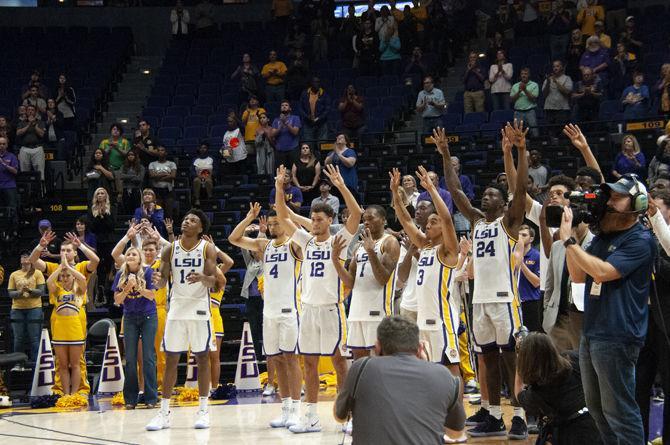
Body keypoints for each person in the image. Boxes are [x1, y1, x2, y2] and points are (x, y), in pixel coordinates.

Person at [439, 123, 529, 438]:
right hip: (480, 299)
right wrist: (446, 153)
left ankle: (519, 414)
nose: (486, 196)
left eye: (493, 194)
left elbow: (520, 191)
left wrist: (519, 150)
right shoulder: (478, 222)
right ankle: (492, 414)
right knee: (487, 356)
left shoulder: (510, 221)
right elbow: (456, 191)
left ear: (504, 203)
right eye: (486, 194)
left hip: (505, 299)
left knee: (511, 357)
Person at [560, 173, 655, 444]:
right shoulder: (603, 236)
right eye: (609, 196)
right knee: (598, 411)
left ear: (637, 203)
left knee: (620, 413)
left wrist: (569, 242)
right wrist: (571, 241)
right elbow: (579, 275)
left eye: (617, 197)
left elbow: (603, 273)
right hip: (593, 332)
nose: (609, 202)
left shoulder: (639, 239)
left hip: (618, 334)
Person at [274, 163, 363, 434]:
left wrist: (341, 186)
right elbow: (281, 215)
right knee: (309, 362)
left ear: (329, 221)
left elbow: (357, 214)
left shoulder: (340, 241)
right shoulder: (306, 240)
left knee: (338, 362)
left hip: (332, 309)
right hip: (308, 310)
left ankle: (348, 414)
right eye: (312, 219)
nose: (314, 222)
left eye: (320, 219)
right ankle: (310, 416)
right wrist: (279, 188)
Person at [334, 316, 466, 445]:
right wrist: (429, 364)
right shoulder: (443, 375)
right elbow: (455, 433)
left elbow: (339, 417)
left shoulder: (361, 368)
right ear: (420, 348)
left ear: (377, 347)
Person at [229, 205, 304, 428]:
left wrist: (288, 215)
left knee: (291, 359)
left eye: (276, 223)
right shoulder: (264, 245)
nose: (272, 227)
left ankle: (297, 410)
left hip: (290, 310)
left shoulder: (295, 245)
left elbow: (301, 232)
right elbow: (234, 238)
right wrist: (248, 218)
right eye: (270, 224)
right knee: (276, 360)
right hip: (269, 311)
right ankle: (285, 407)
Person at [146, 209, 219, 431]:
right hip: (176, 308)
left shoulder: (207, 248)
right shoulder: (169, 248)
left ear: (200, 228)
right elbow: (161, 284)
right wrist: (157, 280)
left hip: (198, 308)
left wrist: (202, 277)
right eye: (186, 218)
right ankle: (164, 412)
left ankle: (204, 410)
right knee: (171, 359)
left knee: (202, 358)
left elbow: (214, 282)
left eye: (193, 220)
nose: (187, 221)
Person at [332, 204, 399, 360]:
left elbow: (383, 278)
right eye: (364, 219)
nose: (366, 222)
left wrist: (371, 251)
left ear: (383, 220)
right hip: (357, 310)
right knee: (359, 361)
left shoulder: (390, 242)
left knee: (382, 359)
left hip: (378, 311)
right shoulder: (359, 247)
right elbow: (350, 282)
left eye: (371, 218)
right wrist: (335, 260)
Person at [515, 333, 603, 445]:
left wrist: (519, 359)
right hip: (596, 426)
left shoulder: (536, 393)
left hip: (569, 436)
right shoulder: (573, 359)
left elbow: (518, 392)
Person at [641, 190, 670, 445]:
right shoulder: (641, 237)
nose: (650, 215)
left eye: (657, 209)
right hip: (640, 322)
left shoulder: (663, 240)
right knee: (639, 387)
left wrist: (652, 259)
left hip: (667, 324)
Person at [113, 247, 157, 409]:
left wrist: (137, 287)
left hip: (148, 317)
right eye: (128, 254)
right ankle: (130, 399)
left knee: (148, 358)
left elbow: (152, 295)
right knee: (130, 359)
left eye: (134, 254)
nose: (130, 256)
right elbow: (117, 300)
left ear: (139, 259)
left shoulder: (148, 272)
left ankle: (151, 397)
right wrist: (126, 288)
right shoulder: (120, 274)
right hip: (130, 318)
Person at [46, 253, 87, 395]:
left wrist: (69, 267)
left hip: (75, 327)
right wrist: (60, 268)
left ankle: (74, 394)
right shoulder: (57, 289)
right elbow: (48, 282)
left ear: (73, 276)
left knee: (75, 364)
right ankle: (66, 394)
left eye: (67, 276)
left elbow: (82, 278)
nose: (64, 278)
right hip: (60, 328)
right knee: (62, 365)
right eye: (62, 276)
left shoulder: (79, 290)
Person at [8, 251, 46, 364]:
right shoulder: (14, 274)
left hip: (34, 308)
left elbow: (41, 291)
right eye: (22, 257)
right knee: (18, 338)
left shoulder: (38, 273)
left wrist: (29, 290)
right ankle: (18, 364)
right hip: (17, 309)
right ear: (20, 260)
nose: (25, 258)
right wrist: (20, 292)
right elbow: (10, 293)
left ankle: (36, 363)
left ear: (31, 260)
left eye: (27, 256)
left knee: (34, 338)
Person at [513, 225, 541, 332]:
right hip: (515, 302)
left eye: (524, 235)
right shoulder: (511, 255)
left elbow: (537, 282)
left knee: (532, 336)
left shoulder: (536, 255)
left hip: (531, 303)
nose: (520, 238)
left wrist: (521, 263)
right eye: (518, 235)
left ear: (531, 239)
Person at [16, 105, 46, 181]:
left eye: (32, 110)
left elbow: (42, 134)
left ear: (35, 112)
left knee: (40, 171)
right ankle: (26, 191)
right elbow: (18, 133)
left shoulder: (40, 122)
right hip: (24, 149)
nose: (30, 111)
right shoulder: (21, 123)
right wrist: (29, 124)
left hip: (37, 148)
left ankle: (41, 190)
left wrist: (34, 125)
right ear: (26, 112)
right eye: (28, 110)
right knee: (24, 172)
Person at [542, 60, 573, 131]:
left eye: (557, 66)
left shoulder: (567, 78)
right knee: (550, 131)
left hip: (562, 109)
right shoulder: (548, 80)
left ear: (562, 67)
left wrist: (556, 82)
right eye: (554, 66)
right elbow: (544, 94)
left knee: (562, 131)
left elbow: (567, 92)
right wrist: (548, 83)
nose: (555, 68)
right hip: (549, 108)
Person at [299, 77, 330, 145]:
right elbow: (301, 108)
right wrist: (307, 117)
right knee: (308, 145)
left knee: (322, 145)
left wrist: (319, 118)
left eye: (318, 82)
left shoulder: (324, 94)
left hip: (321, 123)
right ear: (311, 83)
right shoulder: (304, 94)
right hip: (308, 123)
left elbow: (327, 109)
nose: (317, 84)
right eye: (315, 82)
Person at [271, 100, 301, 169]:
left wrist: (286, 122)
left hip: (293, 149)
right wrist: (280, 126)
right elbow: (272, 134)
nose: (284, 106)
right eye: (282, 105)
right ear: (280, 108)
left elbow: (295, 132)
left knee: (294, 171)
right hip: (280, 150)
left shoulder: (295, 118)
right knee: (280, 172)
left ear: (290, 108)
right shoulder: (276, 120)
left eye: (286, 105)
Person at [148, 146, 176, 220]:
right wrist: (166, 175)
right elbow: (152, 176)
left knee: (169, 212)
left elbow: (173, 176)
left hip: (168, 190)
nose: (160, 152)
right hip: (156, 190)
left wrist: (158, 177)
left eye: (162, 150)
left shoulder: (172, 164)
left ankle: (169, 229)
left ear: (166, 153)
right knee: (157, 212)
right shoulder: (152, 164)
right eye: (158, 150)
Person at [510, 68, 539, 138]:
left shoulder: (534, 85)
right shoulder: (515, 86)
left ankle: (535, 147)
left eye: (525, 74)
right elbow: (511, 100)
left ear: (529, 75)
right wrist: (519, 91)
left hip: (530, 111)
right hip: (518, 112)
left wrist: (525, 90)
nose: (523, 76)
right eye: (522, 74)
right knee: (517, 134)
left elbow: (534, 99)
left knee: (534, 132)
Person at [0, 136, 19, 222]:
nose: (1, 146)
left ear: (7, 145)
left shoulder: (12, 156)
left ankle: (14, 230)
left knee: (12, 209)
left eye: (4, 144)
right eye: (0, 144)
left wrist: (4, 164)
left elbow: (15, 171)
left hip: (9, 186)